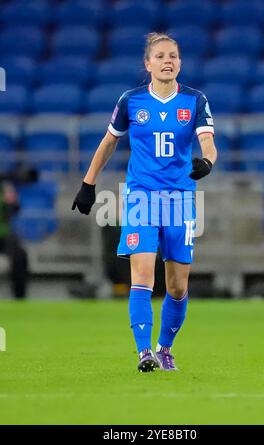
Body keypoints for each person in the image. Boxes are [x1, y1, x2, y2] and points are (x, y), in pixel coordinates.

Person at [72, 33, 218, 372]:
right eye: (161, 56)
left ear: (180, 63)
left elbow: (208, 143)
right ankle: (144, 353)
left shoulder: (195, 101)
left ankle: (164, 347)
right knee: (142, 276)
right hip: (141, 197)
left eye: (174, 56)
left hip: (180, 199)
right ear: (148, 63)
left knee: (178, 285)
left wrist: (207, 162)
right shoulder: (131, 101)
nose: (168, 61)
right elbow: (109, 142)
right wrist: (88, 184)